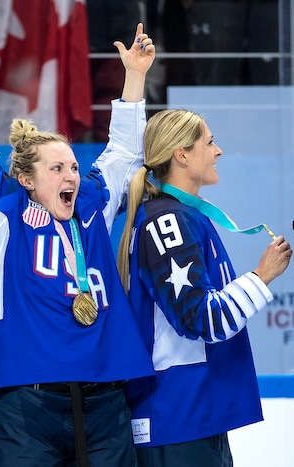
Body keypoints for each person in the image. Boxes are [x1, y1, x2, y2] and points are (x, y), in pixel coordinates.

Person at [0, 14, 156, 467]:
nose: (71, 176)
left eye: (74, 167)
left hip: (105, 397)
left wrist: (134, 78)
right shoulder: (3, 216)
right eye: (57, 169)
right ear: (25, 179)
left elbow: (123, 155)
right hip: (27, 402)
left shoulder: (94, 207)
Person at [115, 109, 292, 466]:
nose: (218, 151)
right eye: (209, 142)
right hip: (177, 418)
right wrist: (261, 277)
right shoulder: (168, 221)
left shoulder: (182, 216)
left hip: (191, 417)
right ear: (181, 154)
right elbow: (201, 319)